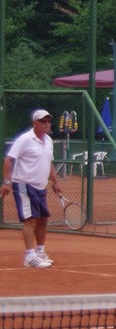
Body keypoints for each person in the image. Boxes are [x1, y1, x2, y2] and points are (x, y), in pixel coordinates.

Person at [2, 109, 63, 268]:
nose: (47, 124)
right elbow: (9, 160)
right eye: (43, 121)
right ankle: (30, 256)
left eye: (48, 121)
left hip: (40, 187)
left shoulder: (48, 141)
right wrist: (7, 181)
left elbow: (49, 163)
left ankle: (40, 252)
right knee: (30, 220)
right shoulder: (24, 140)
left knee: (43, 218)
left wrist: (55, 182)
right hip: (23, 184)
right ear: (35, 123)